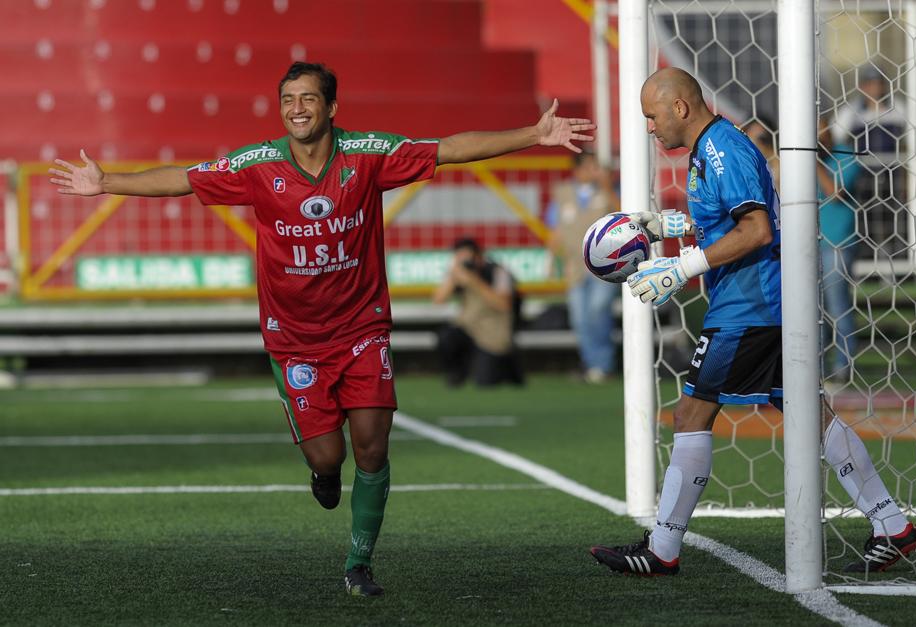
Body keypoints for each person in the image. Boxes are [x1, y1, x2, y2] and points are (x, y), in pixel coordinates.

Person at [49, 61, 595, 596]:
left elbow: (448, 149)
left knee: (373, 451)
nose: (297, 109)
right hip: (293, 339)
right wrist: (106, 184)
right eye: (288, 100)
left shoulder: (368, 155)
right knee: (328, 458)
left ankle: (360, 562)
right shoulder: (258, 164)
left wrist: (534, 134)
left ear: (331, 107)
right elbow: (185, 180)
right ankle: (324, 473)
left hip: (362, 328)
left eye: (308, 98)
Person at [589, 67, 916, 577]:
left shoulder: (722, 149)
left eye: (651, 117)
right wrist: (665, 227)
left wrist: (683, 266)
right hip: (764, 301)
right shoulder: (710, 149)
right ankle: (894, 525)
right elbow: (728, 217)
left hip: (749, 306)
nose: (650, 128)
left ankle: (662, 550)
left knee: (691, 415)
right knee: (812, 413)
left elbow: (757, 230)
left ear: (680, 107)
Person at [546, 151, 620, 383]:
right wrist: (552, 261)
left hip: (605, 264)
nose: (596, 171)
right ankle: (591, 365)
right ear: (578, 170)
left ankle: (603, 364)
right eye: (591, 166)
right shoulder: (563, 194)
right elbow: (555, 229)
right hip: (575, 266)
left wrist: (607, 187)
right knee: (579, 317)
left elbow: (626, 215)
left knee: (598, 309)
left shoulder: (609, 192)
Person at [432, 237, 524, 387]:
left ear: (478, 256)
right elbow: (438, 300)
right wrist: (453, 275)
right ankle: (456, 374)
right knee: (446, 337)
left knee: (486, 382)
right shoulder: (460, 274)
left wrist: (473, 281)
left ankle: (510, 369)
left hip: (492, 335)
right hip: (468, 329)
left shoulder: (497, 272)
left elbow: (503, 304)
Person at [817, 122, 862, 384]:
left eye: (822, 131)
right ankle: (817, 369)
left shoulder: (846, 155)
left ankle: (843, 368)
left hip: (838, 244)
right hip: (808, 246)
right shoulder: (800, 160)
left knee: (838, 307)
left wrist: (812, 160)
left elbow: (834, 193)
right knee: (812, 311)